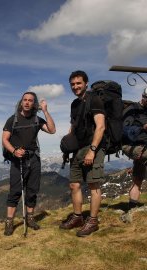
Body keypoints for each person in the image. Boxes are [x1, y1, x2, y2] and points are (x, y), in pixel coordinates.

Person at [2, 91, 56, 236]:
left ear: (34, 104)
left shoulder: (37, 119)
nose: (27, 102)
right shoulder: (12, 120)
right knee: (15, 191)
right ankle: (9, 222)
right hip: (17, 159)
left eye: (30, 100)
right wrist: (14, 151)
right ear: (21, 102)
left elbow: (52, 130)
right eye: (24, 100)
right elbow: (5, 140)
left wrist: (45, 111)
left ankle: (30, 218)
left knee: (32, 190)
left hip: (34, 159)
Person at [59, 70, 105, 237]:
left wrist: (92, 151)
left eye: (78, 83)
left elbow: (101, 126)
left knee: (94, 185)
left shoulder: (95, 99)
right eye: (72, 84)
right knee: (74, 184)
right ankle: (78, 217)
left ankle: (92, 221)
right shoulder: (74, 104)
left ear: (86, 83)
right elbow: (73, 126)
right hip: (77, 149)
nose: (75, 86)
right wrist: (68, 145)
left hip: (93, 147)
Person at [122, 88, 147, 210]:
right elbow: (124, 131)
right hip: (133, 147)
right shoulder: (132, 109)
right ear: (143, 97)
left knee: (138, 178)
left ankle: (132, 209)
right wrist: (142, 128)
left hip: (143, 148)